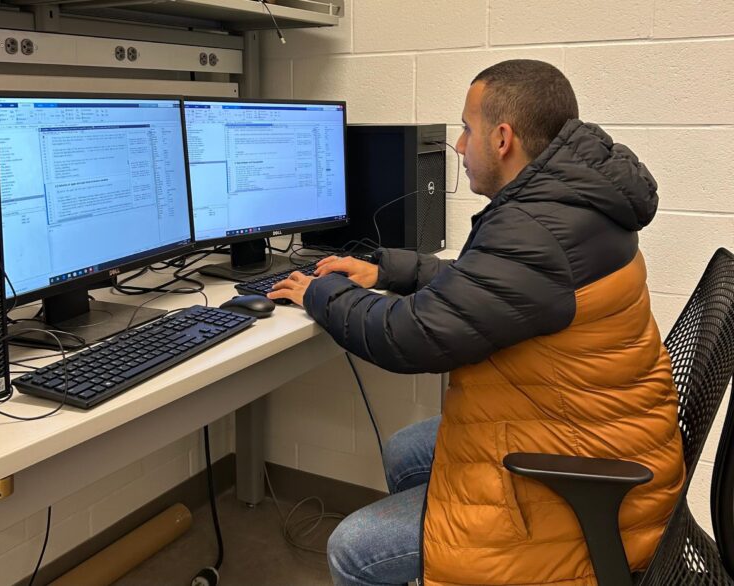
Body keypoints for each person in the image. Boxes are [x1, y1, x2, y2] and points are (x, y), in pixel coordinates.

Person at [267, 59, 685, 586]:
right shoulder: (567, 203)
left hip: (593, 493)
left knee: (354, 550)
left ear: (503, 138)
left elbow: (410, 336)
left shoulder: (538, 229)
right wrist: (388, 269)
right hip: (588, 433)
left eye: (467, 129)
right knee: (405, 449)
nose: (460, 146)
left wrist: (321, 291)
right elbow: (486, 287)